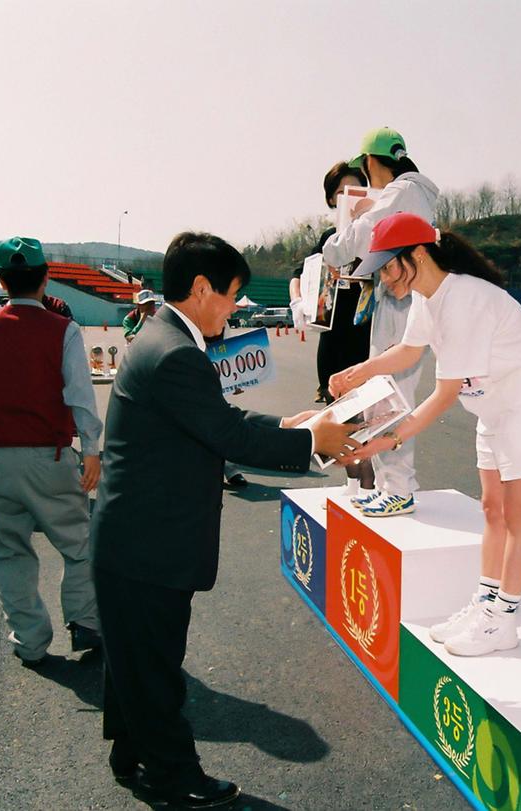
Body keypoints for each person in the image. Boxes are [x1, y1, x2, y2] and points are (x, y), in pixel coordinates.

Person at [90, 232, 355, 807]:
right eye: (233, 295)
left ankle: (131, 755)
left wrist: (290, 425)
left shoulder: (162, 337)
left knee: (136, 660)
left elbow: (217, 418)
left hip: (133, 540)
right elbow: (229, 435)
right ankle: (174, 779)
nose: (236, 308)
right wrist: (314, 441)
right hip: (147, 547)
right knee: (155, 668)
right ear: (201, 288)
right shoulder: (177, 353)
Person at [331, 213, 521, 655]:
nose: (385, 278)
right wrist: (358, 371)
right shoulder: (428, 296)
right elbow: (408, 350)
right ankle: (486, 603)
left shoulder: (464, 298)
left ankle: (502, 619)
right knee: (492, 509)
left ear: (418, 254)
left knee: (518, 516)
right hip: (493, 407)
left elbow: (443, 394)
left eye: (389, 266)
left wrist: (390, 439)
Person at [0, 237, 103, 667]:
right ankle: (85, 621)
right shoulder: (63, 329)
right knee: (79, 543)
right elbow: (80, 394)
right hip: (49, 456)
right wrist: (92, 449)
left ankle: (30, 640)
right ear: (46, 279)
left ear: (2, 282)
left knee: (7, 552)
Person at [321, 127, 439, 515]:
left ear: (371, 161)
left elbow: (350, 243)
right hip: (398, 298)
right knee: (386, 392)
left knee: (392, 395)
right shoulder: (414, 193)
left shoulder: (401, 192)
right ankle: (391, 484)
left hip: (401, 301)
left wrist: (339, 236)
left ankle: (398, 486)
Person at [291, 160, 377, 492]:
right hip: (334, 341)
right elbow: (299, 274)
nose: (349, 197)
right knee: (341, 420)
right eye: (341, 192)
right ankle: (354, 486)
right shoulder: (330, 239)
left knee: (371, 420)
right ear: (331, 199)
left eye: (356, 189)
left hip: (369, 339)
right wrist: (298, 302)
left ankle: (372, 486)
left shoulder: (378, 233)